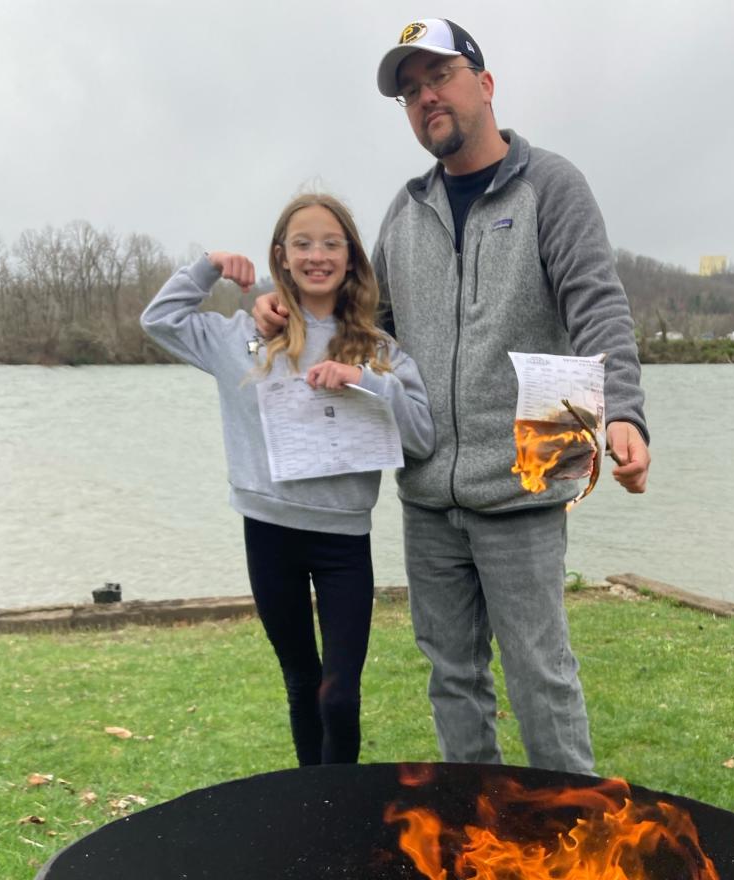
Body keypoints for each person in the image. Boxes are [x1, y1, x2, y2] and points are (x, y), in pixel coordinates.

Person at [253, 20, 650, 776]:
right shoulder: (406, 212)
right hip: (429, 496)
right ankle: (478, 832)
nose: (425, 96)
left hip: (528, 485)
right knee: (453, 680)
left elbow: (597, 305)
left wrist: (624, 410)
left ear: (485, 83)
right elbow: (366, 326)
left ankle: (569, 831)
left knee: (541, 678)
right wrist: (281, 311)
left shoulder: (550, 187)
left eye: (438, 76)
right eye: (409, 91)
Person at [141, 192, 435, 766]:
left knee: (339, 695)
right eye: (302, 243)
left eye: (331, 243)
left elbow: (422, 438)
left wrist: (366, 381)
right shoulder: (244, 337)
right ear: (282, 255)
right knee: (302, 681)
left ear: (351, 258)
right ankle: (311, 809)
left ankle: (340, 806)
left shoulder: (379, 351)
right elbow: (160, 320)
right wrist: (210, 266)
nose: (317, 255)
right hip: (269, 533)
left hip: (344, 542)